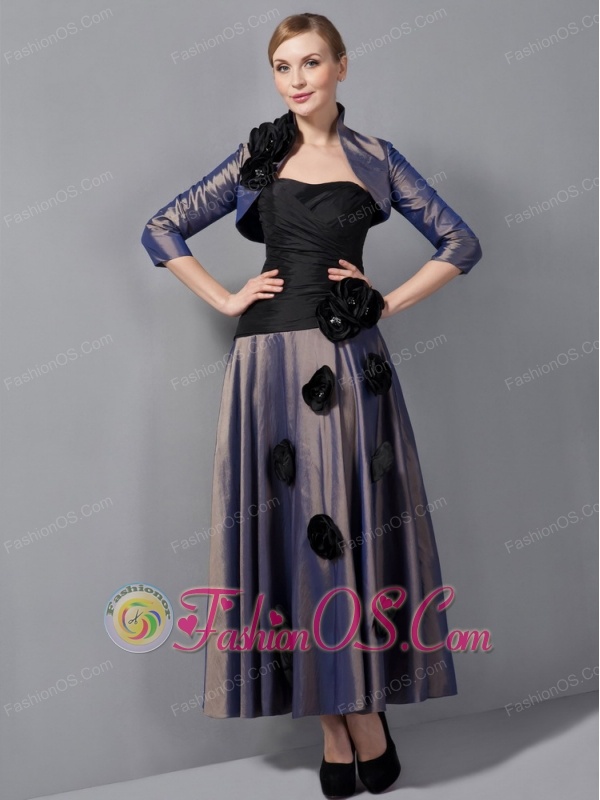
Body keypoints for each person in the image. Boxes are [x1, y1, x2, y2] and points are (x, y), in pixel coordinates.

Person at [141, 12, 482, 798]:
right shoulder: (256, 155)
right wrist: (226, 297)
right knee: (290, 537)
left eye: (311, 63)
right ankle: (336, 723)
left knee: (347, 532)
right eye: (283, 66)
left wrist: (385, 302)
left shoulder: (376, 158)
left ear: (342, 67)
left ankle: (362, 708)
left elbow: (460, 243)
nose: (296, 80)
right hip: (266, 364)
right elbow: (162, 229)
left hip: (349, 360)